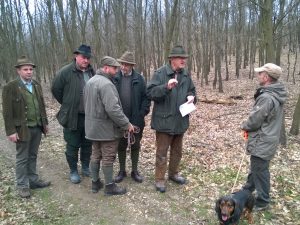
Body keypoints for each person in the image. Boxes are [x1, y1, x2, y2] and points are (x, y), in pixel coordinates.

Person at [147, 45, 196, 193]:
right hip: (164, 121)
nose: (183, 61)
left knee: (177, 152)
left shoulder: (186, 75)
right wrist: (166, 87)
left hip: (180, 120)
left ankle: (173, 174)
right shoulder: (160, 73)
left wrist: (192, 97)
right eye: (181, 58)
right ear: (172, 59)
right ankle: (160, 179)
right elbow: (150, 93)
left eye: (185, 58)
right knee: (162, 153)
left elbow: (192, 91)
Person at [84, 56, 134, 195]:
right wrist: (126, 124)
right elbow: (113, 109)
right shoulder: (106, 84)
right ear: (106, 67)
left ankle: (95, 183)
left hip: (92, 128)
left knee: (95, 155)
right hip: (106, 129)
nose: (117, 70)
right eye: (114, 68)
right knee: (108, 157)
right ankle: (109, 186)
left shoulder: (91, 81)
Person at [2, 56, 50, 198]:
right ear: (18, 71)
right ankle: (22, 185)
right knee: (22, 157)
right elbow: (7, 112)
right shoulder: (10, 87)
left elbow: (41, 105)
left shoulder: (35, 84)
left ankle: (33, 180)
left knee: (33, 155)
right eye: (25, 69)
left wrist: (45, 123)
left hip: (37, 126)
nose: (29, 72)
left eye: (30, 69)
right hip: (22, 128)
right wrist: (11, 131)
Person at [241, 63, 287, 211]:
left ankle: (262, 201)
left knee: (260, 171)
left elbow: (254, 120)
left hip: (263, 140)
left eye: (260, 73)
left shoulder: (267, 97)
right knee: (257, 167)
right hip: (269, 138)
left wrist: (245, 125)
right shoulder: (275, 93)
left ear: (266, 77)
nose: (258, 76)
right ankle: (247, 190)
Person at [51, 44, 95, 184]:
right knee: (72, 145)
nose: (86, 60)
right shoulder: (65, 72)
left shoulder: (91, 72)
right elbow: (56, 89)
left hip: (88, 117)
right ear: (76, 56)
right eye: (83, 57)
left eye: (88, 58)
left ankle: (86, 167)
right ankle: (73, 171)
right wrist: (68, 104)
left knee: (87, 144)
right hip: (71, 116)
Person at [113, 51, 150, 183]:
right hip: (119, 119)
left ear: (132, 65)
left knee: (135, 145)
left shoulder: (139, 79)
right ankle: (122, 170)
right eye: (122, 64)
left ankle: (135, 171)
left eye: (127, 64)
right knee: (121, 145)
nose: (124, 67)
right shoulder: (115, 78)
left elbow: (146, 99)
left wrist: (141, 115)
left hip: (136, 120)